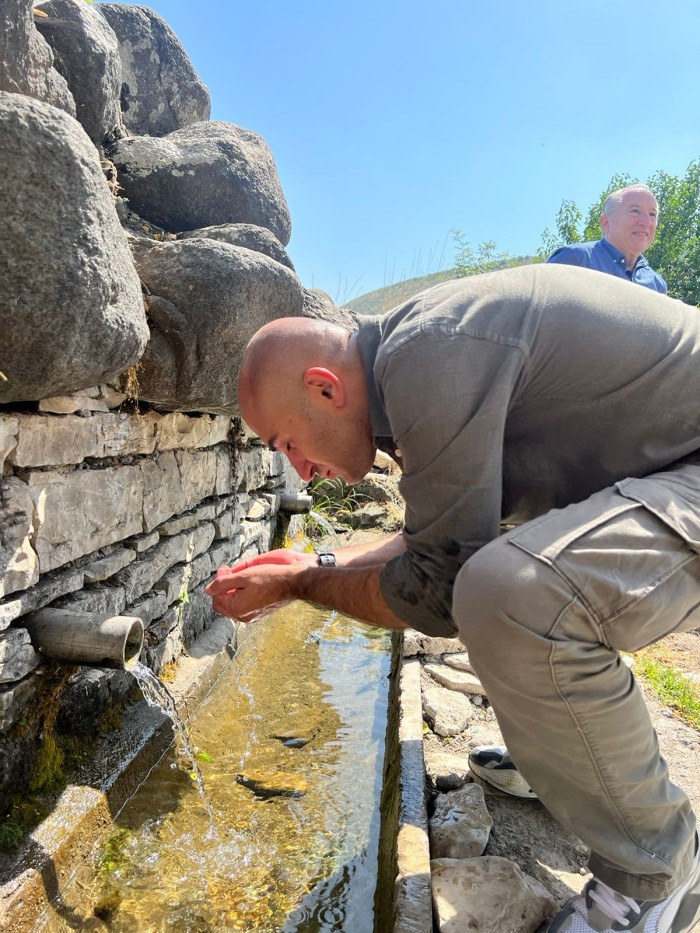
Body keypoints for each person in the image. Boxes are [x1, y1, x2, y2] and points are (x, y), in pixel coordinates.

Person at [206, 262, 700, 933]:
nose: (299, 469)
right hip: (669, 467)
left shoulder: (427, 355)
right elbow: (435, 541)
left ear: (324, 389)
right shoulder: (407, 364)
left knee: (512, 594)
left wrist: (297, 583)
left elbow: (438, 590)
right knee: (502, 576)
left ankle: (658, 873)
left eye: (287, 443)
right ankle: (570, 767)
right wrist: (311, 560)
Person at [547, 183, 667, 293]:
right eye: (635, 211)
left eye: (652, 214)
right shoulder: (575, 259)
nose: (646, 222)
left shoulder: (657, 284)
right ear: (606, 223)